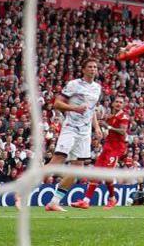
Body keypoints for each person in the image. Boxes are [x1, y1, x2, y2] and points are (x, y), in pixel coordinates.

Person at [40, 59, 103, 212]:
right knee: (57, 161)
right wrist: (75, 108)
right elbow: (56, 103)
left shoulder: (97, 88)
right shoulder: (74, 84)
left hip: (85, 132)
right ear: (83, 69)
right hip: (71, 128)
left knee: (77, 170)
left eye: (95, 67)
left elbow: (92, 109)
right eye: (89, 66)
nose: (93, 69)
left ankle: (54, 202)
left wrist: (97, 127)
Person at [72, 96, 131, 210]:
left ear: (123, 105)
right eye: (117, 101)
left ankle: (112, 199)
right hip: (107, 147)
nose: (118, 103)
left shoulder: (124, 116)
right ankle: (86, 201)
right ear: (113, 104)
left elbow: (123, 131)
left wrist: (108, 126)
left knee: (106, 174)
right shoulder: (109, 116)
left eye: (121, 102)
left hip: (116, 149)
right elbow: (106, 129)